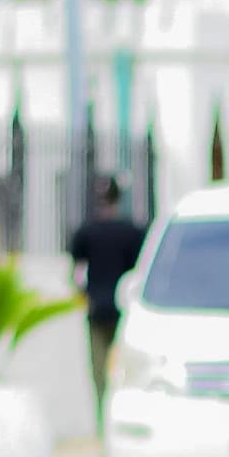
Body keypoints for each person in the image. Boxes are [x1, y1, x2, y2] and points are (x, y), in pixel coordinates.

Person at [66, 177, 148, 424]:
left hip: (97, 311)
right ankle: (122, 424)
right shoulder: (132, 232)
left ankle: (104, 426)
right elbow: (139, 272)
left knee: (100, 375)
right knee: (126, 372)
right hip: (124, 312)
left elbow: (76, 273)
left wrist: (84, 295)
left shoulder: (86, 232)